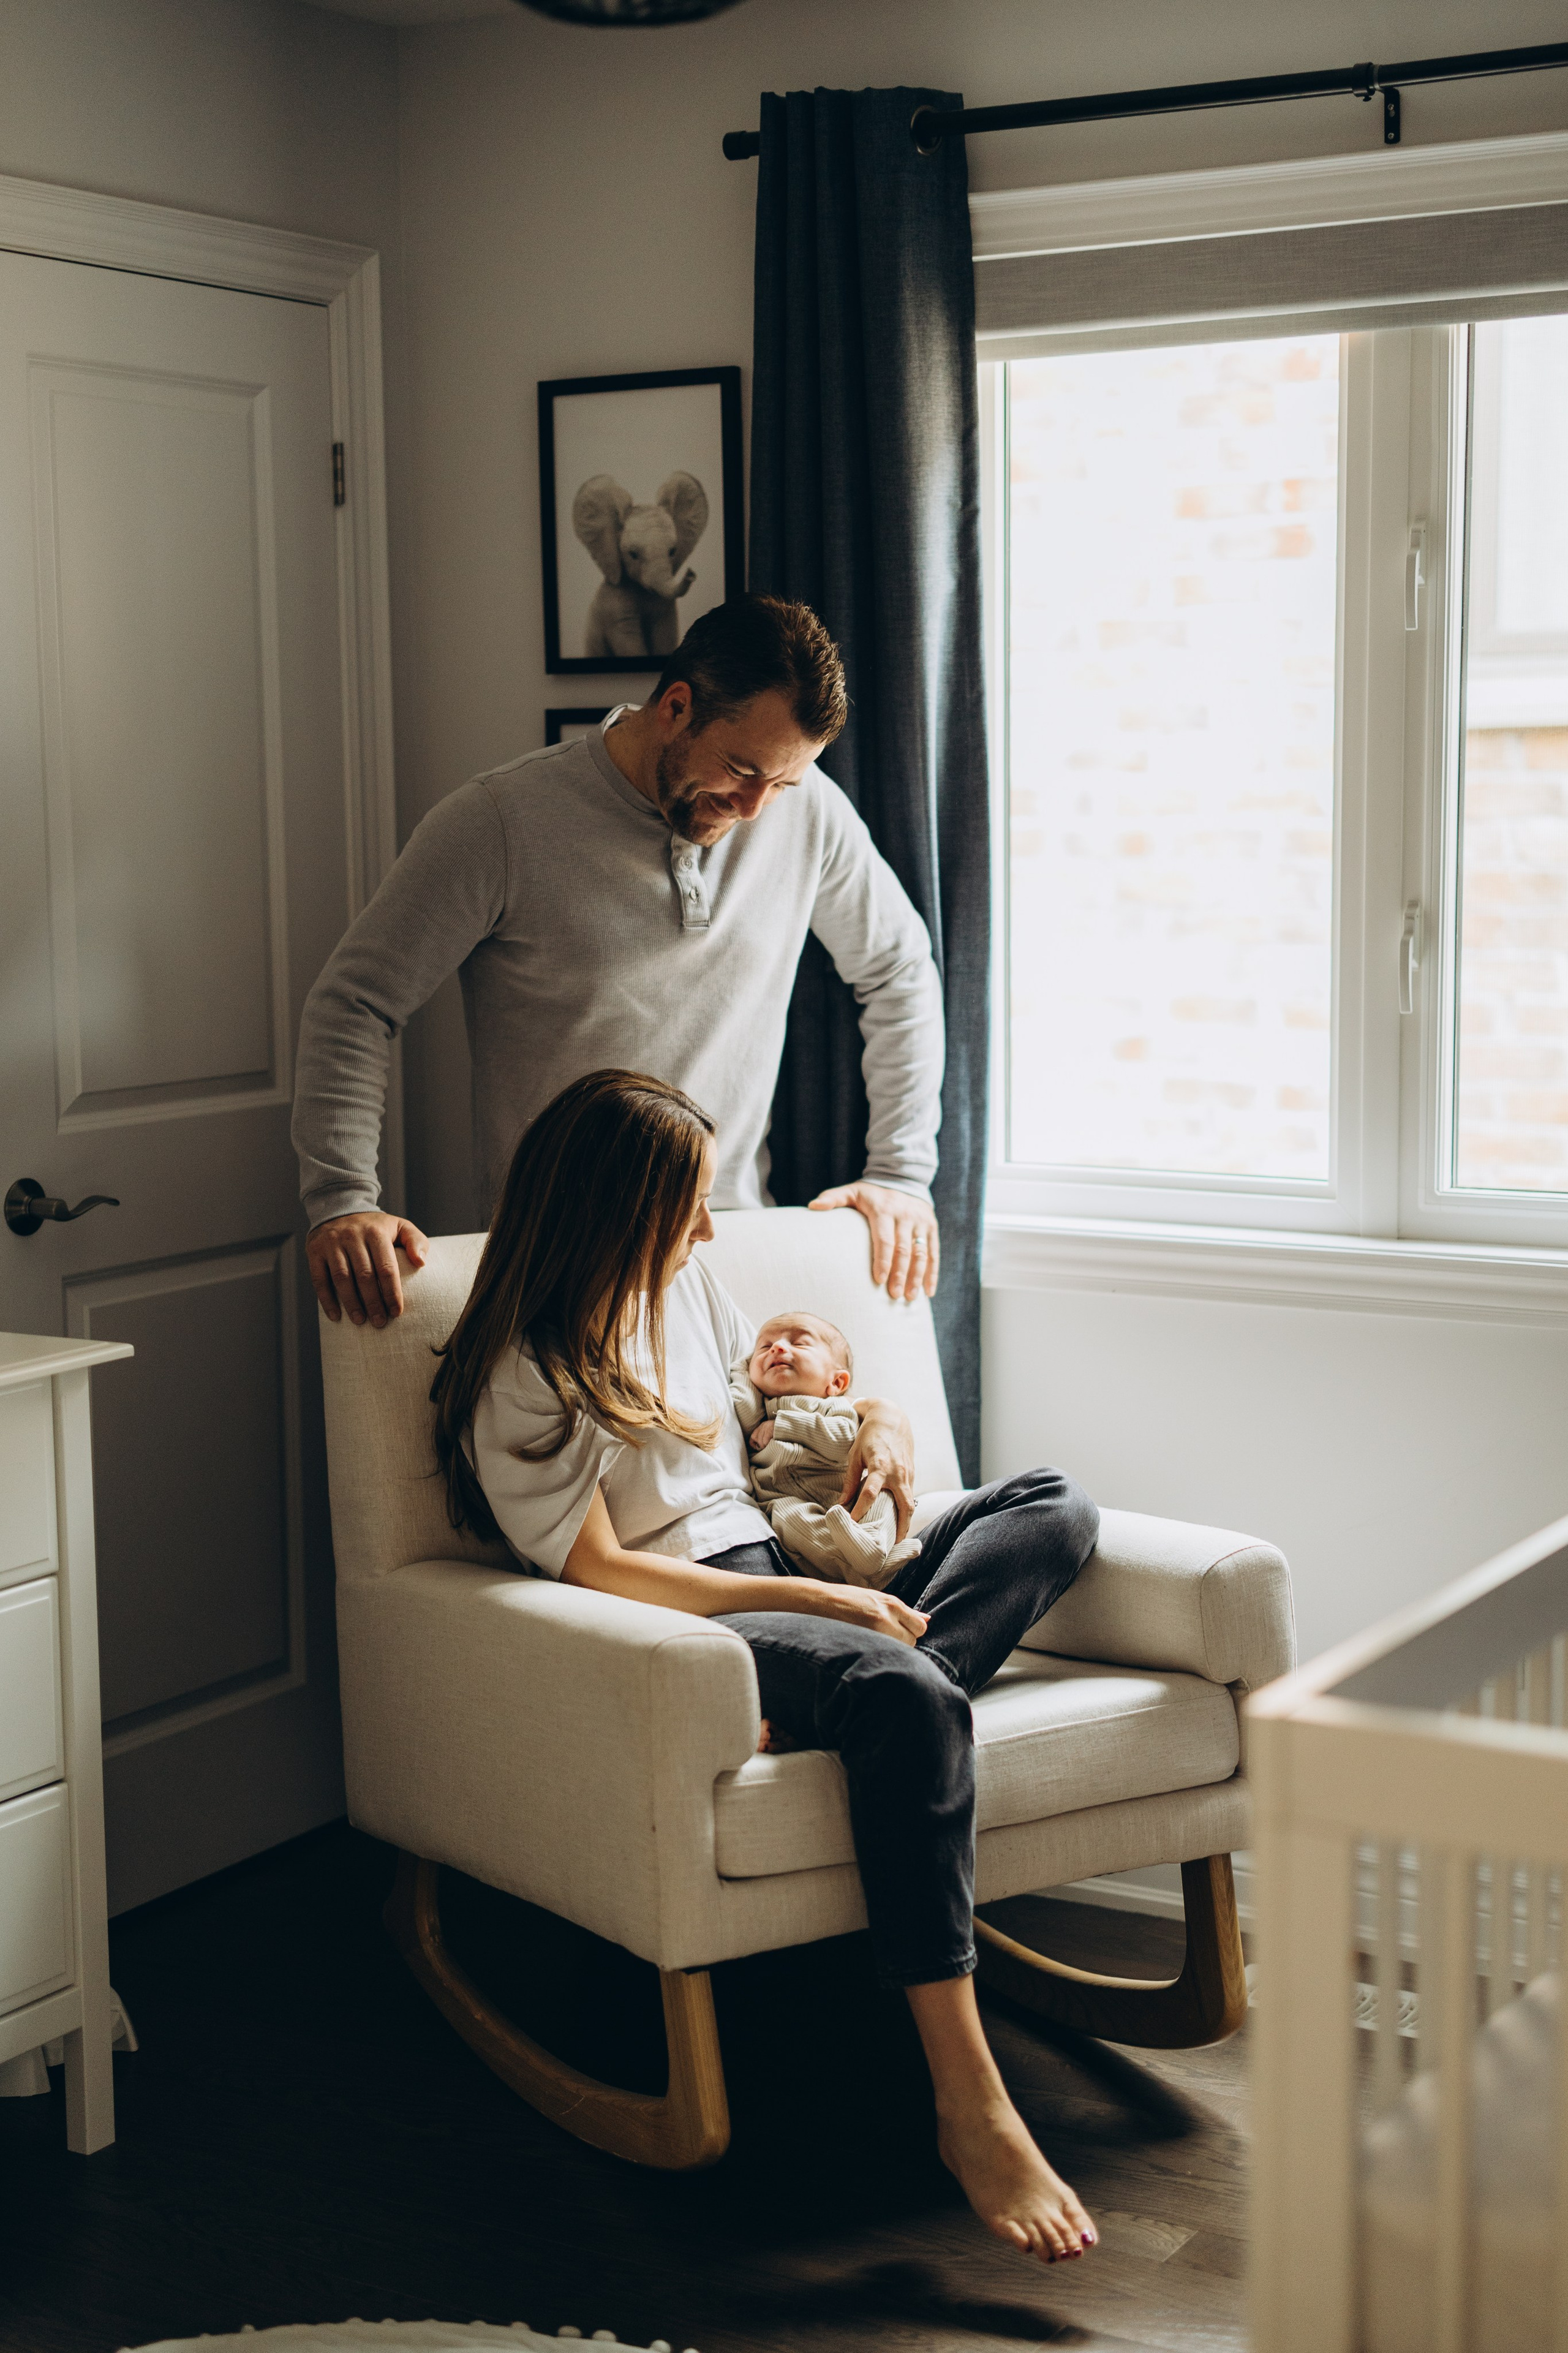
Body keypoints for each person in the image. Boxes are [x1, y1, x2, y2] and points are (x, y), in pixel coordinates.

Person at [430, 1068, 1102, 2266]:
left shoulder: (680, 1281)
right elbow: (598, 1573)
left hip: (799, 1559)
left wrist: (884, 1438)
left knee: (1052, 1507)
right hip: (705, 1617)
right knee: (898, 1686)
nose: (704, 1231)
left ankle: (869, 1709)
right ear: (613, 1209)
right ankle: (968, 2100)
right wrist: (806, 1597)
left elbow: (771, 1398)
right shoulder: (526, 1367)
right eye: (684, 1207)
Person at [293, 595, 945, 1370]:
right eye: (740, 771)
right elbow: (356, 1002)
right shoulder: (498, 821)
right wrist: (342, 1198)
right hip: (554, 1273)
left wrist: (901, 1171)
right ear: (676, 707)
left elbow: (900, 969)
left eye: (784, 783)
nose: (754, 809)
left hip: (725, 1245)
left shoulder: (808, 818)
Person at [733, 1311, 924, 1587]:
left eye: (799, 1343)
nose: (777, 1348)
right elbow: (739, 1399)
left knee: (884, 1491)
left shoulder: (835, 1407)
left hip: (845, 1500)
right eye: (764, 1347)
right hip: (786, 1499)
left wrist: (783, 1425)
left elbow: (843, 1442)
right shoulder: (758, 1410)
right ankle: (867, 1566)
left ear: (836, 1383)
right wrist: (744, 1367)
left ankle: (877, 1543)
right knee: (789, 1519)